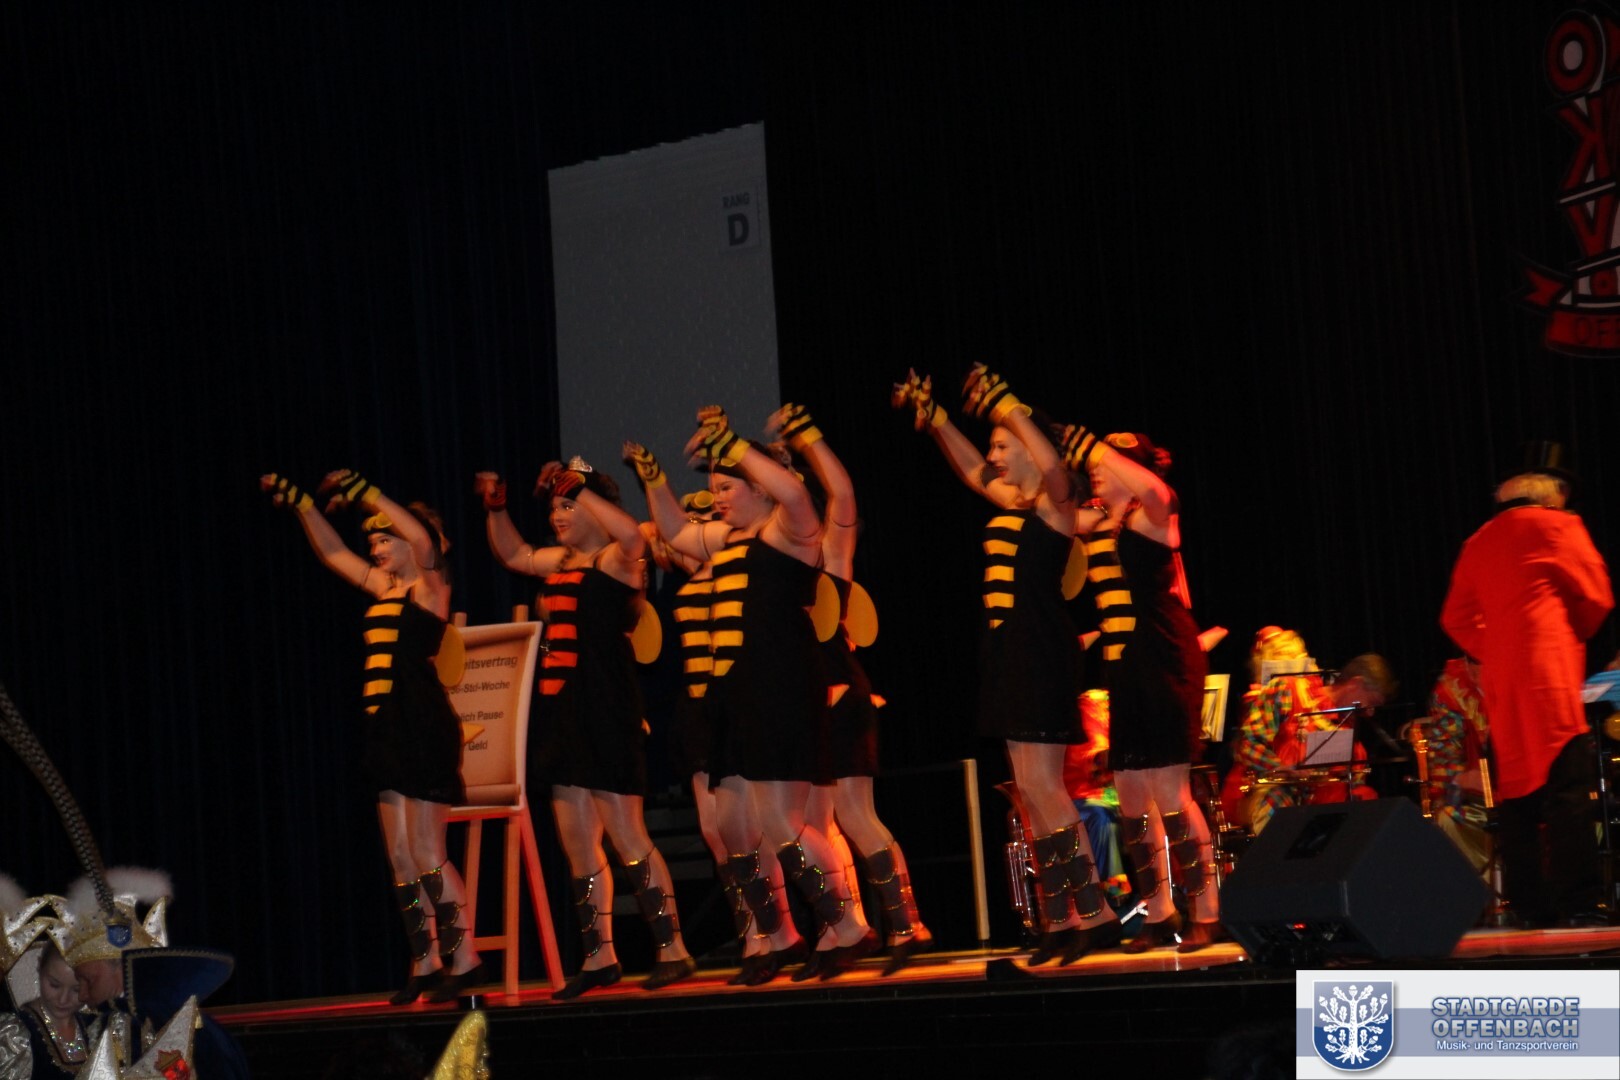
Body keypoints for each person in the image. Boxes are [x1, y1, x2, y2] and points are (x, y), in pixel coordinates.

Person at [894, 366, 1121, 965]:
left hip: (1040, 653)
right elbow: (971, 469)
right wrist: (938, 420)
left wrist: (1009, 407)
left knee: (1045, 787)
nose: (993, 456)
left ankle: (1093, 913)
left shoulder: (1056, 504)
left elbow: (1054, 468)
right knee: (1028, 791)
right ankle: (1060, 917)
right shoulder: (1011, 500)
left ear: (1027, 447)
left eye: (1003, 445)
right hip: (1006, 654)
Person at [648, 407, 878, 980]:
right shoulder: (726, 539)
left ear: (758, 488)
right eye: (715, 487)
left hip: (782, 691)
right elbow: (674, 531)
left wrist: (734, 445)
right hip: (734, 699)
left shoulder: (788, 532)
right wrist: (653, 479)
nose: (717, 497)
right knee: (733, 829)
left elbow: (797, 493)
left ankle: (848, 924)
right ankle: (781, 936)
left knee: (781, 822)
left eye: (727, 486)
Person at [262, 469, 483, 1004]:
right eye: (376, 542)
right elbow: (333, 552)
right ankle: (425, 959)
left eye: (387, 539)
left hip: (421, 726)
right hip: (385, 727)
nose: (378, 548)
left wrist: (369, 495)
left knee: (428, 850)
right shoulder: (384, 588)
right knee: (401, 855)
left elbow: (424, 539)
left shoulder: (431, 585)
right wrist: (302, 505)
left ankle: (466, 957)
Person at [480, 459, 696, 999]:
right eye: (555, 507)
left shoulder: (617, 559)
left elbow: (631, 535)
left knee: (628, 836)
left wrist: (579, 486)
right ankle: (600, 956)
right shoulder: (559, 560)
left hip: (607, 711)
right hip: (561, 714)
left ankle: (673, 949)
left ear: (596, 508)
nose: (558, 515)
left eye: (569, 506)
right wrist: (497, 507)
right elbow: (512, 553)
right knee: (577, 843)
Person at [623, 457, 806, 987]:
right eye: (706, 502)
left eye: (722, 496)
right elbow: (655, 531)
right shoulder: (698, 567)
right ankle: (753, 932)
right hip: (698, 708)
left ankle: (778, 933)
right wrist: (655, 492)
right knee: (716, 831)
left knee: (755, 827)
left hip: (742, 699)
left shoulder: (740, 560)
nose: (714, 509)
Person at [767, 403, 934, 976]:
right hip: (805, 703)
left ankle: (908, 926)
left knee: (857, 816)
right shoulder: (773, 559)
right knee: (819, 827)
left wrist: (805, 438)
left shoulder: (830, 552)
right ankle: (844, 929)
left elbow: (842, 492)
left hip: (841, 696)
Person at [1057, 426, 1220, 952]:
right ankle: (1160, 911)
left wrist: (1094, 449)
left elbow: (1157, 492)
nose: (1097, 468)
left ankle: (1207, 910)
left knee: (1171, 796)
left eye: (1109, 462)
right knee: (1130, 800)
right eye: (1095, 462)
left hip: (1165, 657)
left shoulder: (1152, 516)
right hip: (1125, 666)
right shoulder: (1099, 521)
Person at [1440, 448, 1614, 926]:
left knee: (1516, 797)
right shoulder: (1559, 525)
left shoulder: (1477, 541)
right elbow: (1597, 597)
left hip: (1504, 684)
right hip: (1549, 673)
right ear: (1550, 495)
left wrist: (1497, 648)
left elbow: (1454, 618)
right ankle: (1578, 902)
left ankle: (1528, 905)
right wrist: (1572, 631)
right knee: (1567, 792)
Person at [1229, 654, 1396, 835]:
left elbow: (1351, 789)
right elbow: (1247, 743)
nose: (1370, 713)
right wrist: (1279, 767)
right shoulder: (1288, 690)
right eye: (1371, 703)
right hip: (1272, 798)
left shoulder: (1349, 733)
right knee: (1280, 808)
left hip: (1317, 818)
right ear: (1356, 684)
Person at [1407, 657, 1493, 875]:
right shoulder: (1452, 691)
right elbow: (1446, 753)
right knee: (1448, 820)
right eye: (1473, 665)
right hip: (1477, 800)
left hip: (1523, 791)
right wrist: (1461, 779)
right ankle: (1479, 890)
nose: (1477, 673)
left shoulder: (1520, 682)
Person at [12, 944, 87, 1078]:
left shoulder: (97, 1025)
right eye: (54, 985)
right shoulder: (17, 1034)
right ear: (40, 966)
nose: (63, 1000)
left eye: (77, 990)